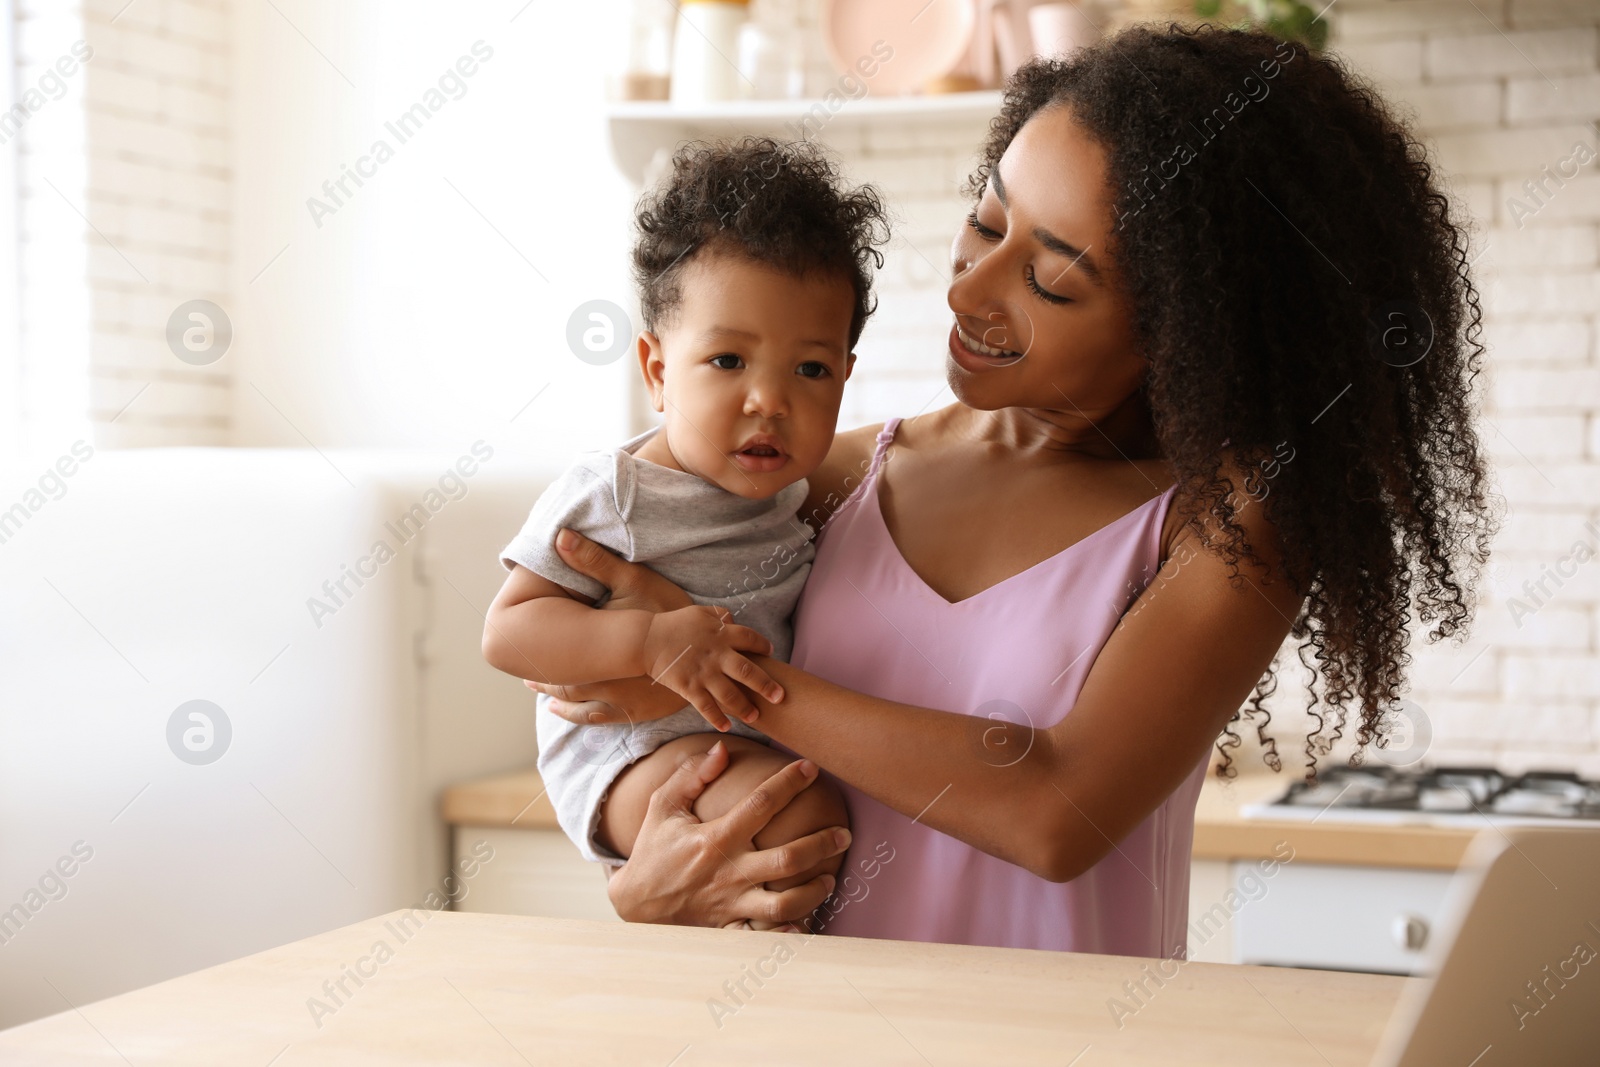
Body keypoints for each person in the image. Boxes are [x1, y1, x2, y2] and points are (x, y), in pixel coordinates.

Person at [527, 25, 1496, 952]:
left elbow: (1057, 808)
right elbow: (592, 692)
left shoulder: (1231, 524)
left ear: (1185, 333)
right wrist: (639, 881)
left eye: (1051, 280)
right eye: (986, 222)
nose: (970, 290)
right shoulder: (825, 480)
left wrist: (741, 680)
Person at [484, 138, 889, 927]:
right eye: (729, 359)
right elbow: (508, 632)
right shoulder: (618, 490)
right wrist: (650, 644)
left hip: (725, 742)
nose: (768, 400)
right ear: (658, 370)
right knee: (801, 821)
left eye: (810, 370)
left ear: (846, 375)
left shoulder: (797, 496)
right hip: (627, 756)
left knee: (811, 834)